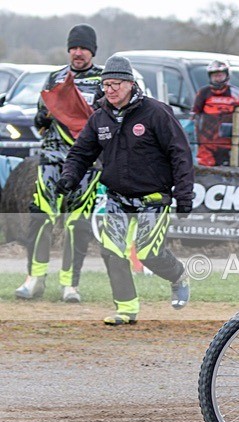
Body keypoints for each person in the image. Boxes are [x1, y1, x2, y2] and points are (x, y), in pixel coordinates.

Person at [55, 55, 194, 326]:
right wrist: (69, 177)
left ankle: (178, 276)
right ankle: (127, 309)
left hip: (154, 198)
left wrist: (184, 194)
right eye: (106, 85)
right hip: (117, 198)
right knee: (112, 251)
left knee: (148, 253)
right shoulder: (99, 119)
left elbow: (180, 154)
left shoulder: (156, 113)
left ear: (130, 84)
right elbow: (81, 153)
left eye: (116, 84)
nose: (110, 89)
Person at [15, 24, 104, 303]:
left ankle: (70, 284)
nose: (78, 53)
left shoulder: (104, 80)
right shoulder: (55, 77)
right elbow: (40, 119)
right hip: (52, 159)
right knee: (41, 217)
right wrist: (45, 116)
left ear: (92, 51)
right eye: (74, 48)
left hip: (86, 164)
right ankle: (34, 279)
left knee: (77, 224)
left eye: (83, 48)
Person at [191, 60, 239, 166]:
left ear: (226, 76)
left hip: (228, 142)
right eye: (215, 76)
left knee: (228, 171)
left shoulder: (236, 93)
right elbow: (194, 114)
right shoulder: (203, 92)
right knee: (205, 169)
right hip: (207, 141)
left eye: (220, 76)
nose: (217, 79)